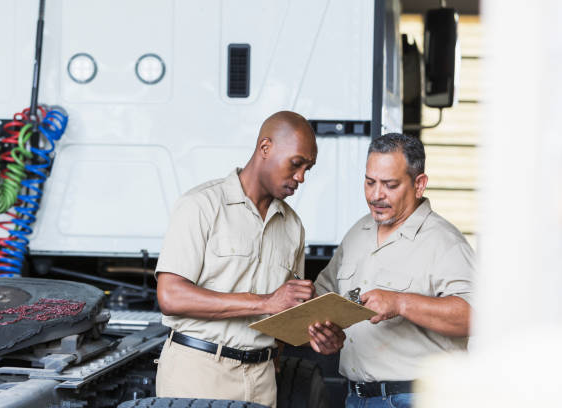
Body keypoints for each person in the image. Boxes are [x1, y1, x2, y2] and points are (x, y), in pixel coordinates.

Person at [154, 111, 343, 407]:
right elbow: (170, 296)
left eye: (308, 168)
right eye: (296, 164)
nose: (301, 177)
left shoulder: (293, 226)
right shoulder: (201, 205)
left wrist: (316, 336)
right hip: (198, 372)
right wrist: (265, 302)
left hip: (262, 379)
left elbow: (285, 314)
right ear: (265, 148)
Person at [314, 133, 474, 408]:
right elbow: (323, 299)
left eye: (390, 185)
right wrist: (323, 334)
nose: (376, 195)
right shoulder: (357, 234)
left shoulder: (444, 242)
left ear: (419, 184)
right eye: (370, 182)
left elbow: (473, 315)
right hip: (357, 397)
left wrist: (400, 302)